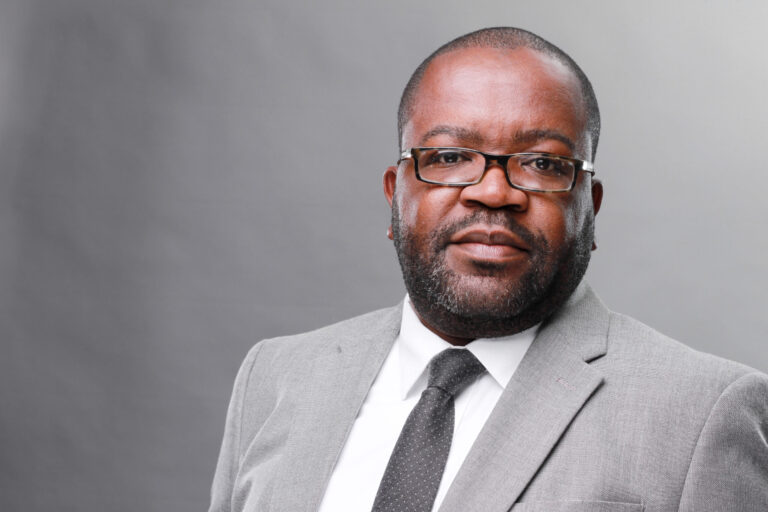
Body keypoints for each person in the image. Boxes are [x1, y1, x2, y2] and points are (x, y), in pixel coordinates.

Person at [209, 27, 768, 512]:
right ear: (394, 195)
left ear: (589, 208)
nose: (493, 192)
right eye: (449, 158)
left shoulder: (704, 412)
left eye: (543, 163)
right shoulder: (277, 377)